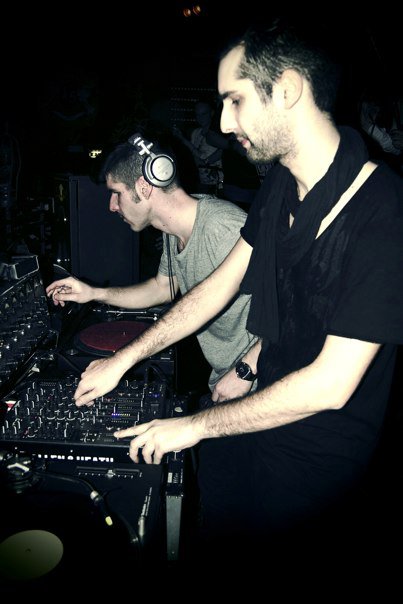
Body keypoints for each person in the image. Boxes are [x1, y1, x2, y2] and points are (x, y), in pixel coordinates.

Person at [71, 20, 403, 567]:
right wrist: (123, 360)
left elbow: (331, 385)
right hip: (255, 417)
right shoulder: (281, 185)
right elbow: (218, 286)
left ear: (288, 89)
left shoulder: (383, 212)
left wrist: (192, 426)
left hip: (315, 461)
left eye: (235, 100)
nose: (224, 123)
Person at [46, 134, 259, 401]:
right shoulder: (174, 231)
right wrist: (93, 293)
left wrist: (245, 370)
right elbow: (161, 288)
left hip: (261, 381)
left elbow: (296, 308)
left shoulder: (224, 228)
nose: (112, 206)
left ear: (145, 187)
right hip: (227, 379)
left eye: (116, 193)